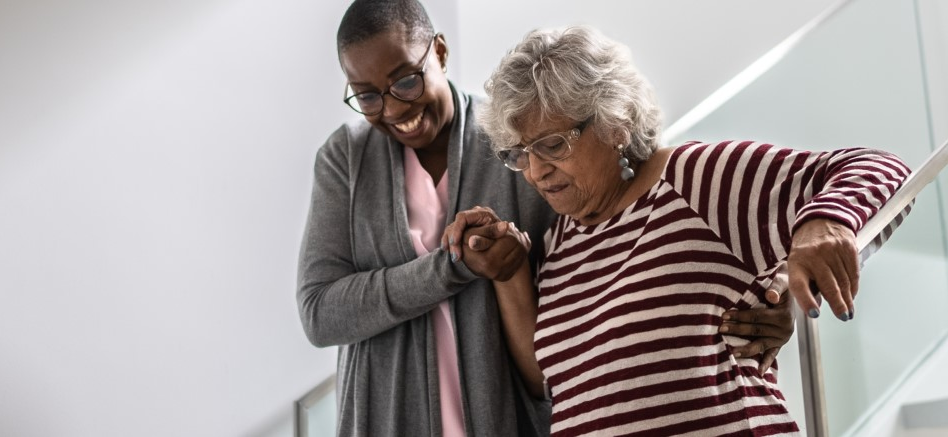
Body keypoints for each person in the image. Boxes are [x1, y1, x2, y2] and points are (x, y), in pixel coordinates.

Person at [297, 2, 797, 436]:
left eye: (405, 80)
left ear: (440, 53)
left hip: (514, 418)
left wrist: (770, 292)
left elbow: (612, 240)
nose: (392, 108)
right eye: (366, 95)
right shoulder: (346, 160)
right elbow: (321, 312)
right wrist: (454, 267)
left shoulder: (516, 140)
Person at [442, 25, 912, 436]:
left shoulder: (696, 180)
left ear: (616, 121)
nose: (536, 171)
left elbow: (879, 169)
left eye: (552, 144)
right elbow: (554, 383)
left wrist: (821, 224)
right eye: (520, 154)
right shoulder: (559, 244)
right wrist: (510, 274)